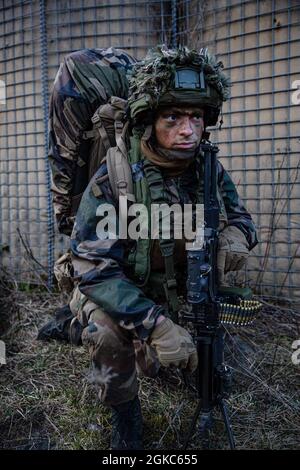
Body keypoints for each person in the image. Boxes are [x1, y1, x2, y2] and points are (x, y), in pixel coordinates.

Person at [42, 45, 258, 449]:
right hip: (122, 291)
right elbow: (93, 266)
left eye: (196, 117)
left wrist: (233, 241)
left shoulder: (208, 169)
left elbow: (243, 221)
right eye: (172, 117)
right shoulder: (117, 175)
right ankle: (125, 417)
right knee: (107, 335)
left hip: (177, 291)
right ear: (149, 119)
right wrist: (156, 325)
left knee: (190, 357)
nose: (188, 130)